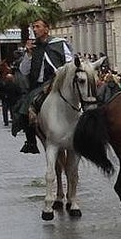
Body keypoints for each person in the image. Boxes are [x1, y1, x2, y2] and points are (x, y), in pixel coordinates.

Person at [12, 18, 75, 154]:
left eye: (38, 27)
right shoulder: (33, 48)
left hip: (58, 81)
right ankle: (30, 141)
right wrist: (28, 54)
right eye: (33, 27)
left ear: (46, 29)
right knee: (25, 107)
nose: (35, 29)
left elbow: (70, 61)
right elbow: (24, 70)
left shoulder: (59, 44)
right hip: (39, 85)